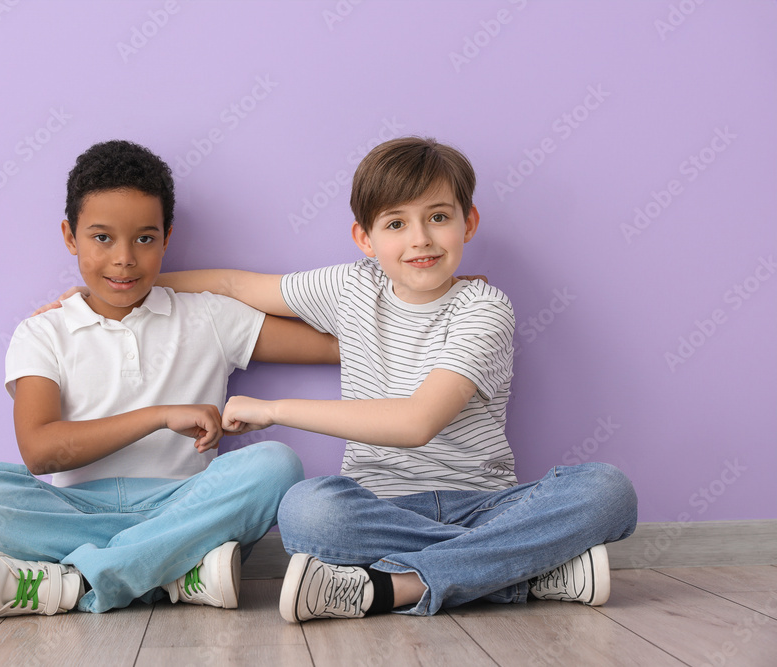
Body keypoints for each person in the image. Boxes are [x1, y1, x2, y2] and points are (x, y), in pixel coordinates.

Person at [155, 136, 638, 622]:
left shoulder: (485, 308)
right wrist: (123, 288)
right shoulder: (350, 287)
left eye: (439, 217)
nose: (420, 239)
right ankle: (521, 571)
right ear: (365, 238)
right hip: (378, 507)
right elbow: (234, 286)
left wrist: (275, 410)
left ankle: (394, 586)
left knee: (607, 490)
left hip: (486, 506)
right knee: (307, 510)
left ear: (467, 224)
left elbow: (416, 423)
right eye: (395, 223)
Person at [0, 140, 339, 617]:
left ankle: (75, 581)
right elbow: (40, 452)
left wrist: (426, 297)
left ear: (167, 237)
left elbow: (334, 345)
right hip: (78, 511)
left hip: (184, 505)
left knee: (275, 465)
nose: (124, 258)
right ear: (70, 237)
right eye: (102, 238)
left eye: (144, 239)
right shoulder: (43, 331)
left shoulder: (208, 315)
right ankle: (173, 575)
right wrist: (157, 416)